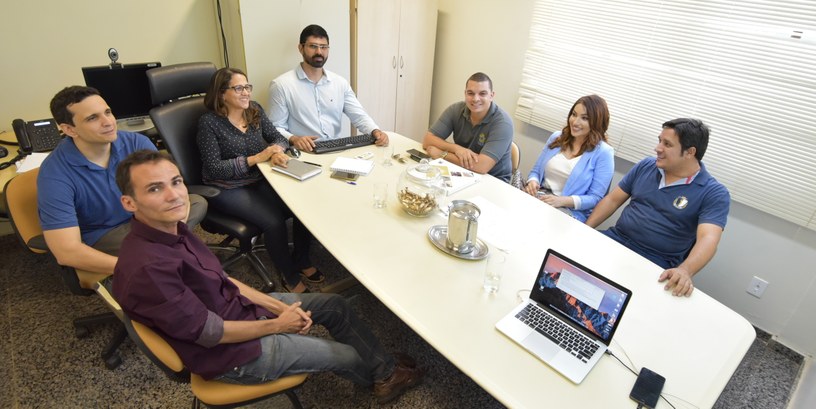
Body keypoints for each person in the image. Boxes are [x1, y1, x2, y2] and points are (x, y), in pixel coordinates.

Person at [111, 150, 425, 404]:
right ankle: (380, 377)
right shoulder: (148, 268)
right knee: (344, 355)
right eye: (155, 189)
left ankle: (381, 366)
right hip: (228, 355)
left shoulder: (174, 228)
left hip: (235, 312)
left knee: (335, 305)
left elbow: (223, 280)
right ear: (129, 202)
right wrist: (279, 324)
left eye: (176, 182)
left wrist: (276, 308)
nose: (173, 195)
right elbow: (210, 333)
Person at [37, 86, 206, 275]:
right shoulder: (54, 174)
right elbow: (66, 252)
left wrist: (172, 228)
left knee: (195, 202)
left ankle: (166, 252)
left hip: (144, 217)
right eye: (93, 118)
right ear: (69, 129)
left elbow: (168, 188)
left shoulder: (135, 143)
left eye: (108, 112)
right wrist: (133, 267)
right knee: (165, 256)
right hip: (107, 232)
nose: (108, 122)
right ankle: (165, 256)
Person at [198, 67, 320, 293]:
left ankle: (302, 260)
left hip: (259, 178)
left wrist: (276, 151)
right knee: (273, 222)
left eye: (247, 87)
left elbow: (277, 137)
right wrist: (256, 158)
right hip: (226, 187)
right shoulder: (209, 123)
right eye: (238, 88)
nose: (246, 93)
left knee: (302, 205)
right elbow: (214, 169)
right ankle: (290, 277)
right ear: (222, 93)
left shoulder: (254, 110)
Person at [586, 118, 730, 297]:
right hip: (616, 239)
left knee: (615, 298)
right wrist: (586, 229)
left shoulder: (713, 192)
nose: (658, 148)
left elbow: (708, 239)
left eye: (667, 144)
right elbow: (612, 200)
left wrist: (685, 270)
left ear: (690, 152)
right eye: (659, 140)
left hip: (656, 260)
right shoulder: (647, 165)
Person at [268, 24, 389, 152]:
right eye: (313, 46)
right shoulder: (281, 85)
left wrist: (375, 131)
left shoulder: (340, 83)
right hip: (305, 153)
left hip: (337, 150)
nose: (319, 52)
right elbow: (275, 127)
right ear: (301, 48)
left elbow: (359, 116)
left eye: (324, 47)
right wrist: (294, 139)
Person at [523, 95, 614, 222]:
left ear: (596, 122)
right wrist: (533, 182)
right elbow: (536, 171)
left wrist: (562, 201)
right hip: (540, 198)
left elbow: (595, 198)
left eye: (584, 118)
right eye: (574, 114)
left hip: (568, 212)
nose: (575, 122)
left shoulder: (604, 152)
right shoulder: (557, 137)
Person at [422, 72, 513, 182]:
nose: (475, 99)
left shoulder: (503, 123)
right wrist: (457, 149)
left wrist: (442, 154)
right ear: (465, 94)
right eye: (471, 93)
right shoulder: (455, 110)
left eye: (482, 93)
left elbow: (481, 166)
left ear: (491, 95)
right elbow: (427, 140)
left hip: (494, 180)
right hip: (462, 172)